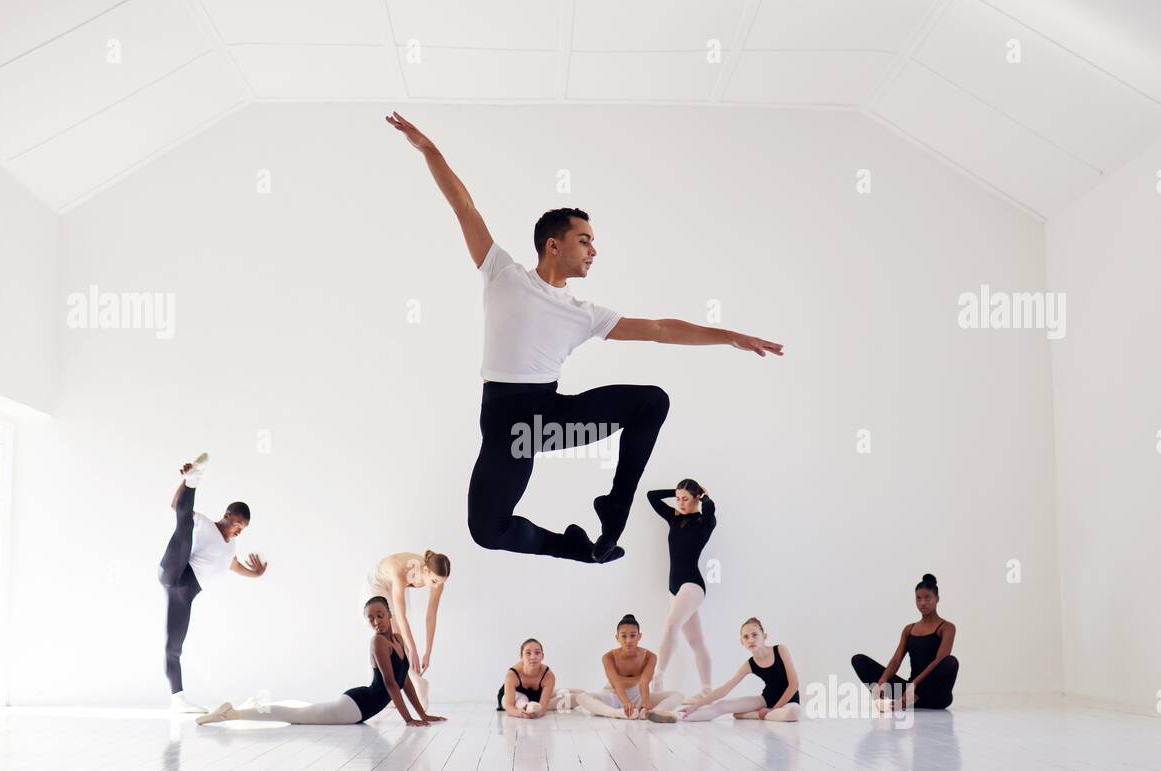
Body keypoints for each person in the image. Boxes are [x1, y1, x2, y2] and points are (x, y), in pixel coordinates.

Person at [385, 110, 784, 563]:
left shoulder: (585, 314)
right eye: (584, 240)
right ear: (553, 245)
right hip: (509, 429)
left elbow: (659, 329)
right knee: (487, 530)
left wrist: (728, 335)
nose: (593, 250)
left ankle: (616, 506)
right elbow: (464, 205)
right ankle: (576, 548)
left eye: (593, 242)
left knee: (652, 402)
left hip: (551, 420)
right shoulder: (503, 274)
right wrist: (429, 149)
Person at [196, 596, 447, 727]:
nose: (376, 622)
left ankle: (246, 708)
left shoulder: (398, 639)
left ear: (389, 614)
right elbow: (391, 684)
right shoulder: (378, 642)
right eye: (370, 619)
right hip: (353, 708)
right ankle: (231, 714)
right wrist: (408, 720)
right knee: (295, 715)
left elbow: (405, 681)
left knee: (300, 711)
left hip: (358, 703)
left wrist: (423, 714)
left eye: (380, 615)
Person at [157, 453, 266, 712]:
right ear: (227, 515)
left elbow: (235, 566)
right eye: (237, 525)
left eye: (242, 530)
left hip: (185, 594)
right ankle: (194, 480)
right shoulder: (205, 524)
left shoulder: (231, 547)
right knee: (183, 527)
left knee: (174, 647)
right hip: (177, 571)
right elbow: (176, 506)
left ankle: (178, 700)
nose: (238, 531)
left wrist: (256, 574)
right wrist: (185, 481)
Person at [647, 480, 717, 695]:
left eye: (685, 499)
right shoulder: (674, 518)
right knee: (696, 642)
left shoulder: (705, 523)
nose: (680, 503)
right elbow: (651, 495)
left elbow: (711, 509)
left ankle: (657, 678)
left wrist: (705, 496)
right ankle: (707, 690)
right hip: (674, 588)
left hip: (692, 585)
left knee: (671, 625)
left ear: (697, 498)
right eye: (678, 499)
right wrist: (676, 491)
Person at [851, 573, 959, 710]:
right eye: (918, 599)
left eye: (927, 598)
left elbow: (939, 661)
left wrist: (915, 684)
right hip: (907, 692)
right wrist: (882, 681)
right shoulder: (909, 629)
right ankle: (902, 699)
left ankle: (907, 700)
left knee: (950, 662)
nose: (922, 603)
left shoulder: (947, 628)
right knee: (859, 660)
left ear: (937, 599)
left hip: (936, 695)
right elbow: (896, 660)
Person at [363, 550, 450, 710]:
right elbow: (401, 617)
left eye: (441, 582)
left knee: (399, 639)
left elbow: (431, 616)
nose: (437, 586)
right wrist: (413, 650)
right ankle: (398, 686)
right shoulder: (401, 572)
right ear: (426, 571)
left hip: (397, 584)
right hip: (379, 582)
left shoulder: (436, 579)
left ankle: (413, 682)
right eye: (435, 581)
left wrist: (428, 651)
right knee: (385, 635)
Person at [680, 618, 800, 722]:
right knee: (722, 705)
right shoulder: (749, 665)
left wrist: (773, 709)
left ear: (764, 636)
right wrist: (695, 706)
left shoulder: (780, 650)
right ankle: (681, 717)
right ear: (742, 642)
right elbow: (724, 690)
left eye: (755, 635)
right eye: (746, 637)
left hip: (789, 701)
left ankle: (753, 715)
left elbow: (794, 684)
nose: (751, 640)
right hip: (765, 700)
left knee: (793, 713)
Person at [571, 614, 682, 721]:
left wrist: (645, 701)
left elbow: (644, 682)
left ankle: (652, 712)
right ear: (617, 637)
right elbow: (616, 683)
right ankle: (618, 713)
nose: (628, 640)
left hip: (638, 696)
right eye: (623, 636)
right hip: (614, 696)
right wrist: (626, 703)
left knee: (678, 695)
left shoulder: (650, 657)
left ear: (639, 636)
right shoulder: (608, 657)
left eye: (632, 635)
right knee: (581, 697)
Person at [496, 638, 568, 717]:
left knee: (568, 697)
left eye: (537, 653)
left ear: (542, 656)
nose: (533, 657)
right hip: (512, 698)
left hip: (536, 699)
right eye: (528, 653)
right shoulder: (512, 674)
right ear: (521, 656)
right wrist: (520, 714)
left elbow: (543, 708)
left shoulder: (548, 676)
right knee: (521, 699)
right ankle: (526, 706)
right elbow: (509, 707)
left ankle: (577, 694)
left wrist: (538, 713)